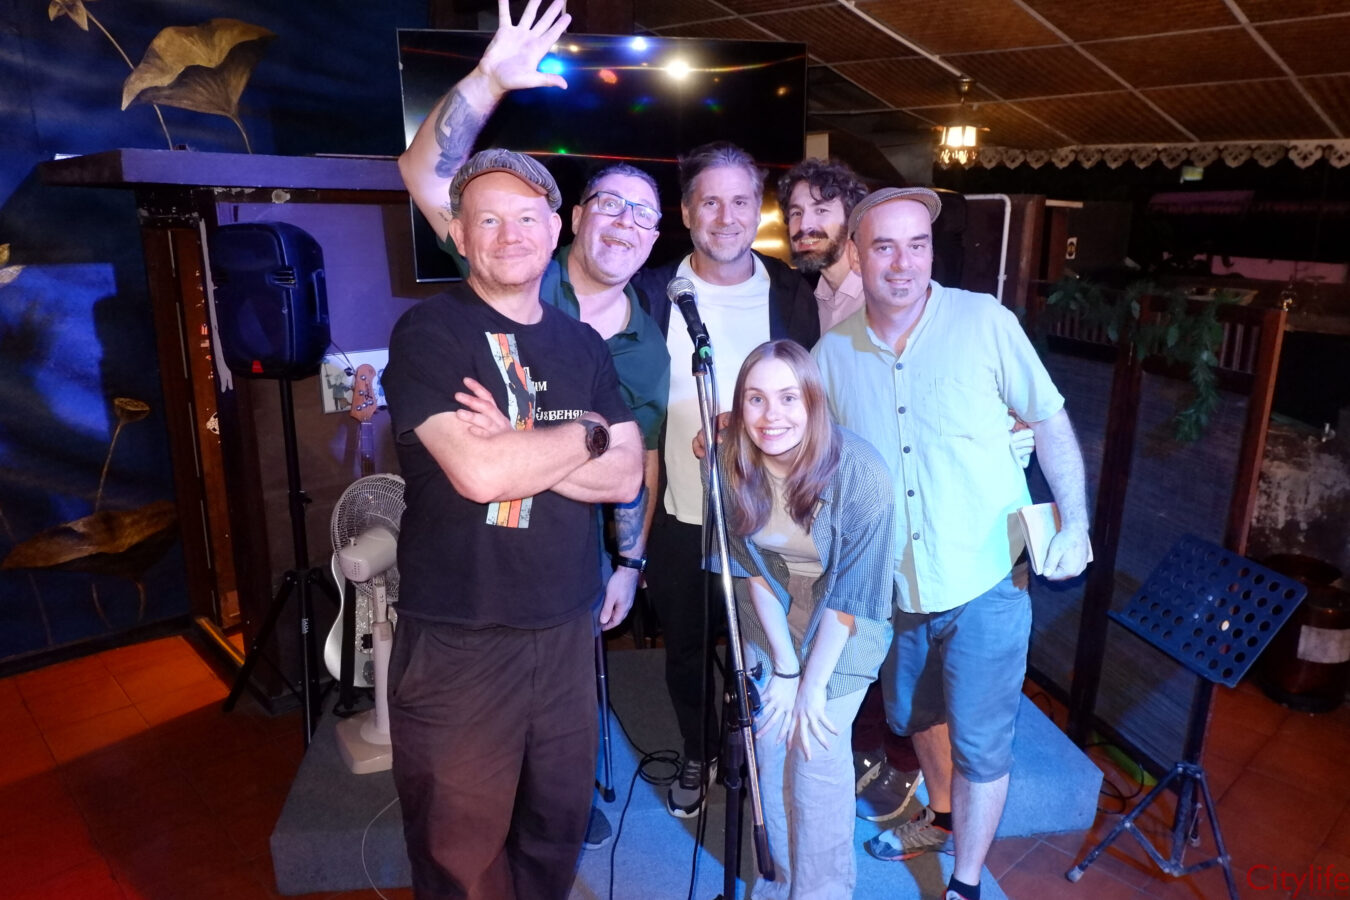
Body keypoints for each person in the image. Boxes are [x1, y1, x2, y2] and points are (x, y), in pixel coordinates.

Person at [397, 0, 670, 849]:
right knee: (462, 828)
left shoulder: (644, 342)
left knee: (554, 809)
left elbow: (633, 467)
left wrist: (628, 559)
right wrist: (488, 80)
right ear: (575, 222)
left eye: (642, 214)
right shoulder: (504, 271)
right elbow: (424, 173)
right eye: (610, 205)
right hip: (463, 618)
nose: (623, 223)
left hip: (568, 599)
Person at [813, 187, 1090, 900]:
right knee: (915, 715)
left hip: (985, 578)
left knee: (981, 743)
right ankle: (939, 816)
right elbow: (812, 459)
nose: (903, 263)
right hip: (897, 588)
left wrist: (1076, 521)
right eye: (883, 246)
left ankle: (965, 882)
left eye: (918, 245)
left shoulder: (984, 321)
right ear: (856, 256)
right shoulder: (831, 355)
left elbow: (1048, 420)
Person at [381, 147, 644, 899]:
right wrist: (586, 434)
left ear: (555, 230)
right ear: (460, 236)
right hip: (460, 637)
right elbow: (481, 475)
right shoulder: (429, 333)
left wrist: (522, 440)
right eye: (488, 220)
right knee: (458, 848)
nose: (510, 234)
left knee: (554, 829)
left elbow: (626, 474)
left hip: (566, 630)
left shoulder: (581, 342)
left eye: (527, 218)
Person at [630, 141, 819, 817]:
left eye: (741, 201)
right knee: (685, 649)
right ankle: (698, 748)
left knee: (765, 648)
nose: (726, 216)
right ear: (686, 212)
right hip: (680, 513)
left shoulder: (791, 293)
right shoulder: (651, 291)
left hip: (768, 518)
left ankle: (757, 755)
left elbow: (814, 399)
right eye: (709, 201)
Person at [713, 340, 893, 899]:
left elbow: (851, 597)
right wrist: (785, 668)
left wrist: (810, 686)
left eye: (789, 398)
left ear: (814, 401)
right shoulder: (729, 461)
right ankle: (776, 883)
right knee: (768, 749)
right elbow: (751, 570)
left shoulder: (862, 473)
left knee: (814, 754)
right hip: (772, 612)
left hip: (845, 618)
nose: (772, 416)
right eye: (756, 399)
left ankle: (821, 892)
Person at [776, 158, 870, 334]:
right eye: (796, 213)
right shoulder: (810, 303)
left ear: (851, 221)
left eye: (821, 210)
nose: (804, 225)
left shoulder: (880, 297)